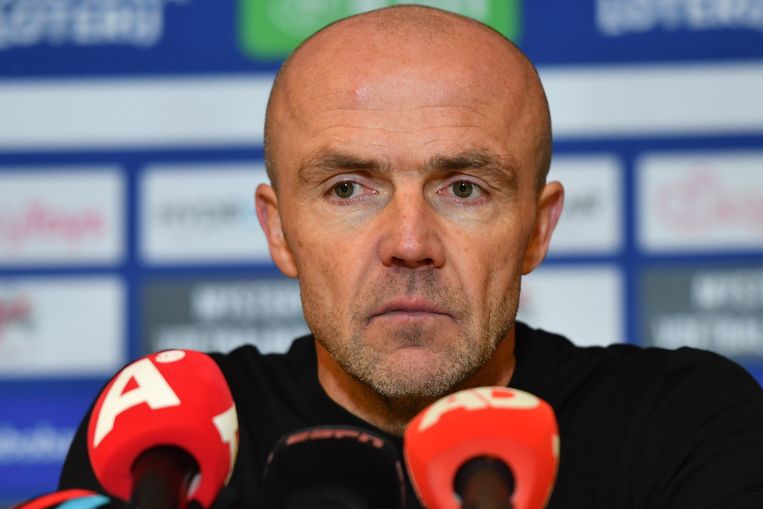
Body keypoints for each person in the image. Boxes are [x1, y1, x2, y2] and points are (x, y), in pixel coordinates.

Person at [60, 5, 763, 508]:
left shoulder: (682, 422)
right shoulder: (165, 446)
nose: (408, 244)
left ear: (536, 230)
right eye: (347, 188)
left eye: (463, 188)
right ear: (279, 232)